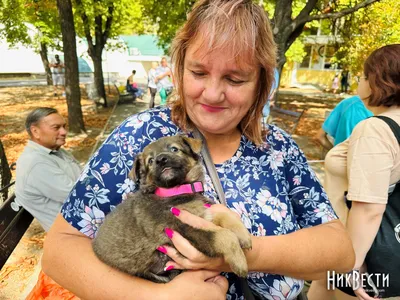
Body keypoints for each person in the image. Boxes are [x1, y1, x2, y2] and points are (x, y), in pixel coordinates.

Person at [40, 1, 355, 299]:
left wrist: (239, 252)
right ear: (179, 68)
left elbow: (340, 252)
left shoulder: (277, 149)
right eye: (199, 72)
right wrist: (158, 296)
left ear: (261, 82)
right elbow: (59, 252)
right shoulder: (137, 137)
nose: (213, 93)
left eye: (235, 78)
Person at [308, 44, 400, 300]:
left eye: (363, 75)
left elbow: (369, 207)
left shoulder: (375, 129)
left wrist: (351, 265)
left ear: (379, 81)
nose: (360, 81)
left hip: (357, 253)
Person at [15, 107, 81, 232]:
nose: (64, 132)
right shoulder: (36, 164)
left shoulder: (56, 151)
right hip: (74, 233)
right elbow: (79, 197)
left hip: (86, 222)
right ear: (35, 132)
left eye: (64, 126)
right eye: (56, 128)